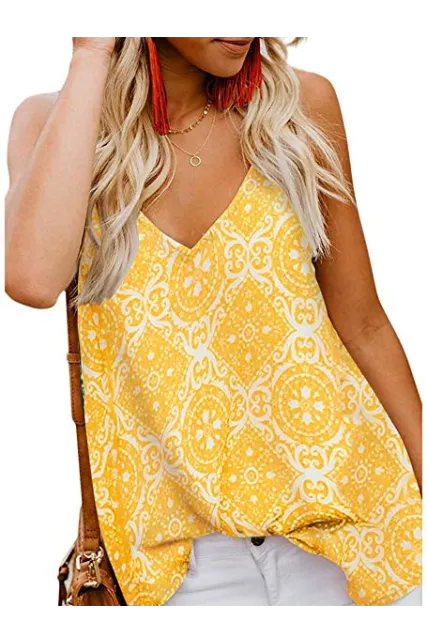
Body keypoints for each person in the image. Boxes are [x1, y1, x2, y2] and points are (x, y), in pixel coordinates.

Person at [5, 34, 422, 608]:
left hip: (356, 533)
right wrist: (91, 52)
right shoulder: (53, 123)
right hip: (174, 566)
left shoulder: (300, 107)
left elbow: (363, 322)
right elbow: (31, 280)